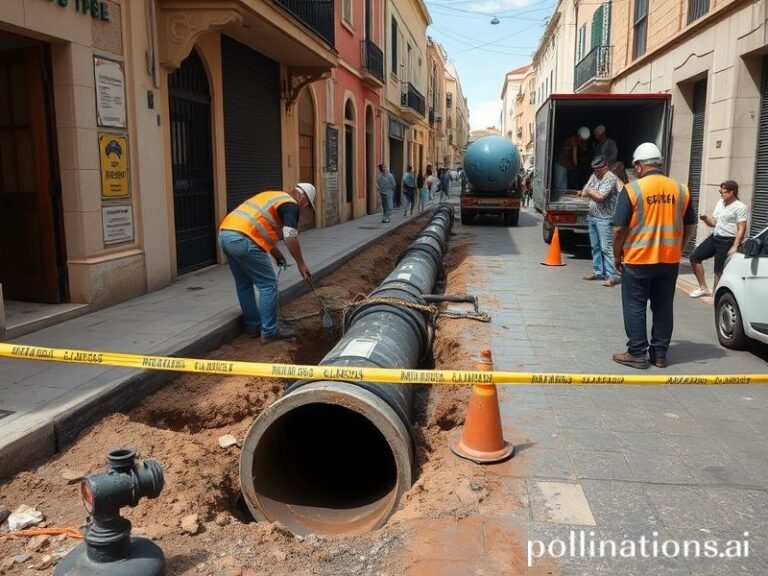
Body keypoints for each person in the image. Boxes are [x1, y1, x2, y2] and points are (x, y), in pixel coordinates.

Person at [610, 143, 697, 369]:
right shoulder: (681, 189)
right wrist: (679, 248)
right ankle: (659, 354)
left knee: (635, 305)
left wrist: (617, 254)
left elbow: (618, 229)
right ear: (659, 163)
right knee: (663, 306)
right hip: (669, 260)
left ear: (639, 166)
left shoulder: (632, 190)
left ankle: (637, 353)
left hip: (638, 259)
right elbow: (691, 226)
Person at [218, 183, 315, 343]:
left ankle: (253, 327)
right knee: (268, 285)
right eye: (307, 205)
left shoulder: (272, 197)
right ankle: (270, 330)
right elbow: (290, 235)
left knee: (244, 284)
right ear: (302, 197)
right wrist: (301, 263)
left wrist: (276, 254)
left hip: (225, 234)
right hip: (244, 239)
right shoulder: (291, 205)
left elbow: (260, 228)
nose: (304, 209)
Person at [688, 180, 749, 297]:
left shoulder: (740, 207)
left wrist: (735, 246)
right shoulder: (720, 203)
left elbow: (741, 228)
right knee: (694, 258)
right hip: (715, 237)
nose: (720, 194)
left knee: (718, 270)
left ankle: (716, 295)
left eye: (722, 191)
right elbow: (714, 222)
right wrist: (705, 219)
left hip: (728, 240)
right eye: (719, 191)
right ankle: (703, 288)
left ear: (731, 192)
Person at [579, 156, 621, 286]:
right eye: (594, 170)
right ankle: (598, 272)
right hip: (593, 216)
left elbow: (600, 197)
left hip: (605, 218)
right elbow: (584, 193)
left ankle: (611, 275)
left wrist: (590, 191)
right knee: (595, 247)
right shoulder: (594, 176)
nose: (595, 173)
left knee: (606, 248)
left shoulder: (610, 178)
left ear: (605, 168)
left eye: (598, 170)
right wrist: (590, 192)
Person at [554, 127, 590, 193]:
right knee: (559, 185)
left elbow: (583, 149)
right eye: (582, 139)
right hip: (561, 165)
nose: (582, 141)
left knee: (563, 187)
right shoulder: (572, 141)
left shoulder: (579, 141)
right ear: (579, 136)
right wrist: (577, 165)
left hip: (567, 166)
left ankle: (562, 199)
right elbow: (574, 159)